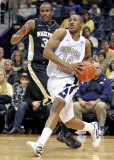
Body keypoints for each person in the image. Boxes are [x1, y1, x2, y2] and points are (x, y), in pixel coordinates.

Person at [26, 14, 101, 157]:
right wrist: (68, 65)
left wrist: (87, 71)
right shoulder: (61, 32)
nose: (71, 22)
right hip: (53, 79)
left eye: (75, 20)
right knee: (70, 122)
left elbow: (87, 59)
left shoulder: (85, 43)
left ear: (82, 24)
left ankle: (39, 145)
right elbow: (46, 52)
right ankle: (93, 128)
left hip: (70, 80)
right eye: (70, 20)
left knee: (56, 106)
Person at [10, 2, 81, 149]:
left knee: (59, 99)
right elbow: (13, 40)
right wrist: (21, 34)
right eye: (42, 11)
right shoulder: (33, 23)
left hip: (51, 68)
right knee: (53, 98)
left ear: (52, 12)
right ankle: (64, 133)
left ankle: (64, 132)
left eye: (47, 10)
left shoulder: (59, 30)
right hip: (35, 66)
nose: (44, 13)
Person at [73, 62, 112, 136]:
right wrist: (80, 100)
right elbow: (77, 91)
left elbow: (106, 95)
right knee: (75, 105)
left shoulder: (106, 81)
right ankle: (80, 128)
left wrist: (95, 102)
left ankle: (101, 128)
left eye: (97, 68)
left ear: (101, 70)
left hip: (98, 104)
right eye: (94, 68)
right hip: (85, 104)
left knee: (101, 105)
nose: (95, 70)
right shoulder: (85, 79)